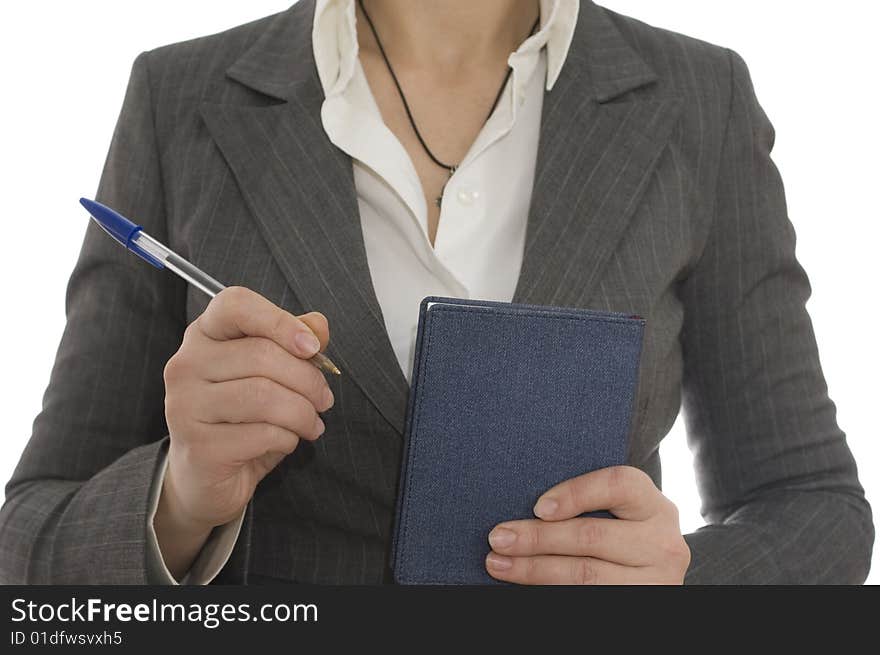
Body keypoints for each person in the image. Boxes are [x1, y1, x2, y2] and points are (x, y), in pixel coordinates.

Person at [0, 0, 872, 585]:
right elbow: (25, 543)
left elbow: (817, 509)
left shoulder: (699, 98)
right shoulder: (178, 97)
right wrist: (180, 499)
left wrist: (677, 582)